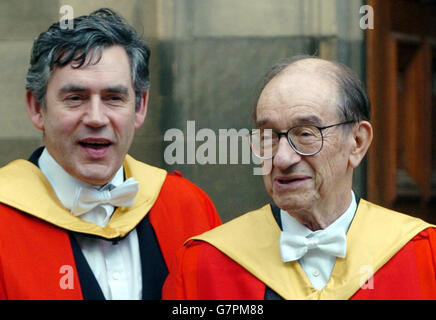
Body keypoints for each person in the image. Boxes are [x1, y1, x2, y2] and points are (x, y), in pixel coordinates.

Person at [163, 57, 436, 300]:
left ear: (357, 142)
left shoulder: (425, 255)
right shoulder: (203, 264)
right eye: (268, 136)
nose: (282, 159)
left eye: (305, 134)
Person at [0, 8, 221, 300]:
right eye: (75, 98)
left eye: (113, 98)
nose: (96, 118)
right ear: (36, 107)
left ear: (140, 106)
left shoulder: (189, 207)